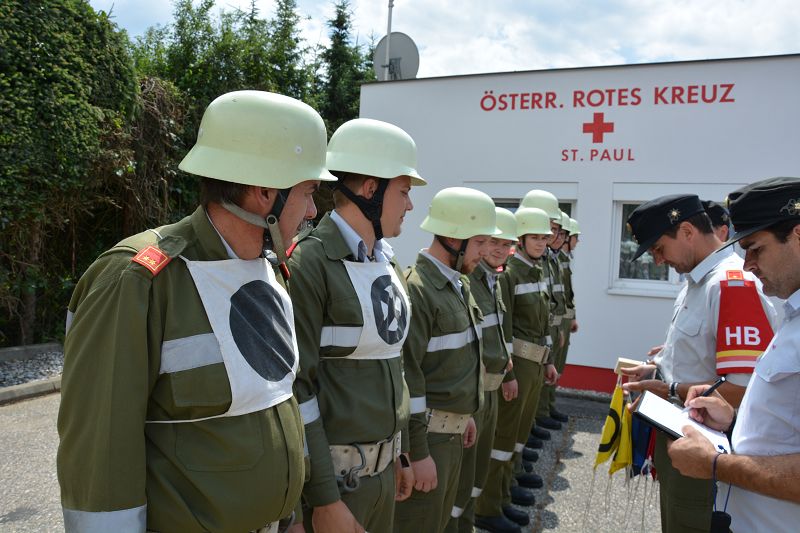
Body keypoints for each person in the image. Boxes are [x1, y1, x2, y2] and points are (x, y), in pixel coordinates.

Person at [57, 91, 336, 532]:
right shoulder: (138, 280)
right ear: (266, 192)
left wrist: (293, 515)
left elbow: (278, 404)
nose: (313, 210)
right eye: (308, 192)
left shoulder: (269, 269)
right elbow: (99, 450)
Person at [286, 118, 425, 533]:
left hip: (382, 475)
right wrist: (324, 499)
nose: (409, 205)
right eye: (404, 191)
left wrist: (399, 452)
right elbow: (298, 390)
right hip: (336, 487)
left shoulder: (387, 262)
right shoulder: (308, 264)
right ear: (370, 189)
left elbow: (392, 365)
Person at [621, 193, 776, 533]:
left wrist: (668, 389)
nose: (658, 260)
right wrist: (658, 368)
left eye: (659, 248)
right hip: (682, 435)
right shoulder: (698, 280)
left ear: (688, 232)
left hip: (706, 445)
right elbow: (697, 357)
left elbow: (742, 389)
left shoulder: (731, 284)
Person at [667, 177, 800, 532]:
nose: (747, 265)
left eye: (755, 249)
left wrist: (715, 464)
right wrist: (733, 423)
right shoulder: (793, 316)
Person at [394, 187, 499, 533]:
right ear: (454, 238)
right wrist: (418, 453)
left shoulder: (459, 285)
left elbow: (456, 363)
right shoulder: (417, 289)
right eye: (480, 242)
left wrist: (464, 414)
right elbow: (409, 378)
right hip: (430, 442)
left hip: (453, 435)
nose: (485, 252)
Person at [475, 206, 558, 533]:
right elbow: (505, 330)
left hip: (533, 363)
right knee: (502, 439)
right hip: (516, 365)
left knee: (517, 437)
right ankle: (490, 505)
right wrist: (508, 373)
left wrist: (548, 359)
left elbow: (543, 319)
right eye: (533, 237)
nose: (540, 243)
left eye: (543, 238)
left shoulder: (534, 271)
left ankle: (504, 493)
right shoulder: (508, 274)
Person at [446, 207, 516, 533]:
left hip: (491, 389)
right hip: (474, 393)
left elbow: (498, 332)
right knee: (461, 479)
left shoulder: (492, 279)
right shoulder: (468, 281)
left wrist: (508, 371)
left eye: (505, 244)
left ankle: (470, 523)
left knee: (476, 474)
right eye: (492, 242)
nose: (499, 249)